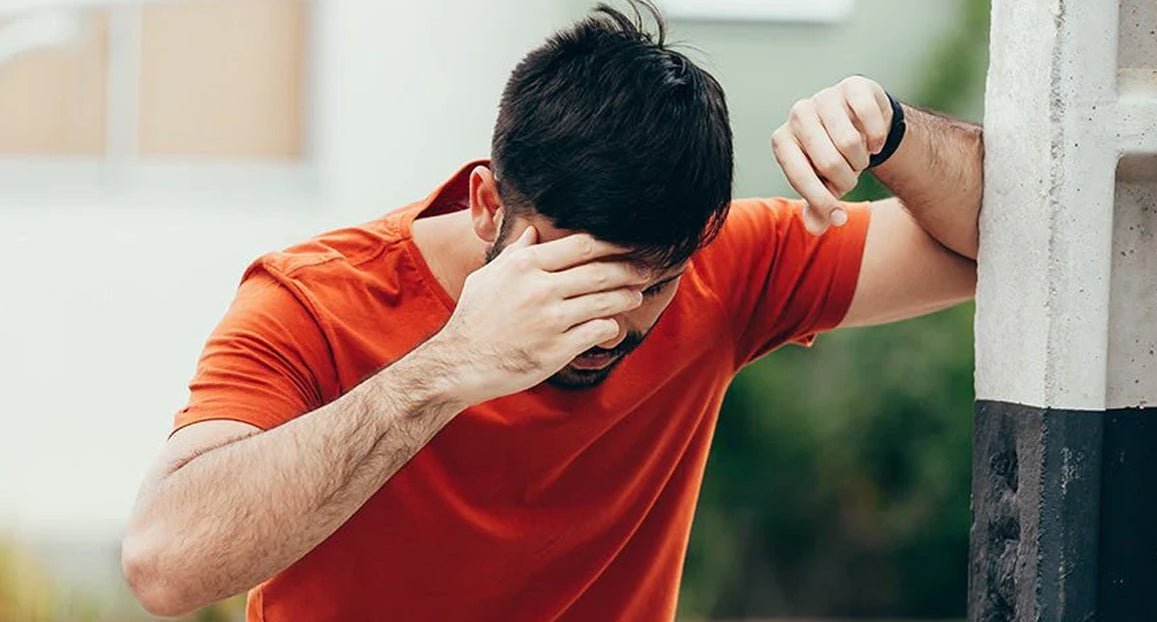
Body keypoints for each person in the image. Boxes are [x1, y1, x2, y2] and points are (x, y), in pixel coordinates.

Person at [121, 2, 981, 620]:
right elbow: (165, 566)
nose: (610, 324)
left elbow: (1017, 240)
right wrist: (447, 370)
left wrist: (892, 131)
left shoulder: (727, 266)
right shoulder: (313, 297)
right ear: (489, 206)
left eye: (650, 286)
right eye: (578, 276)